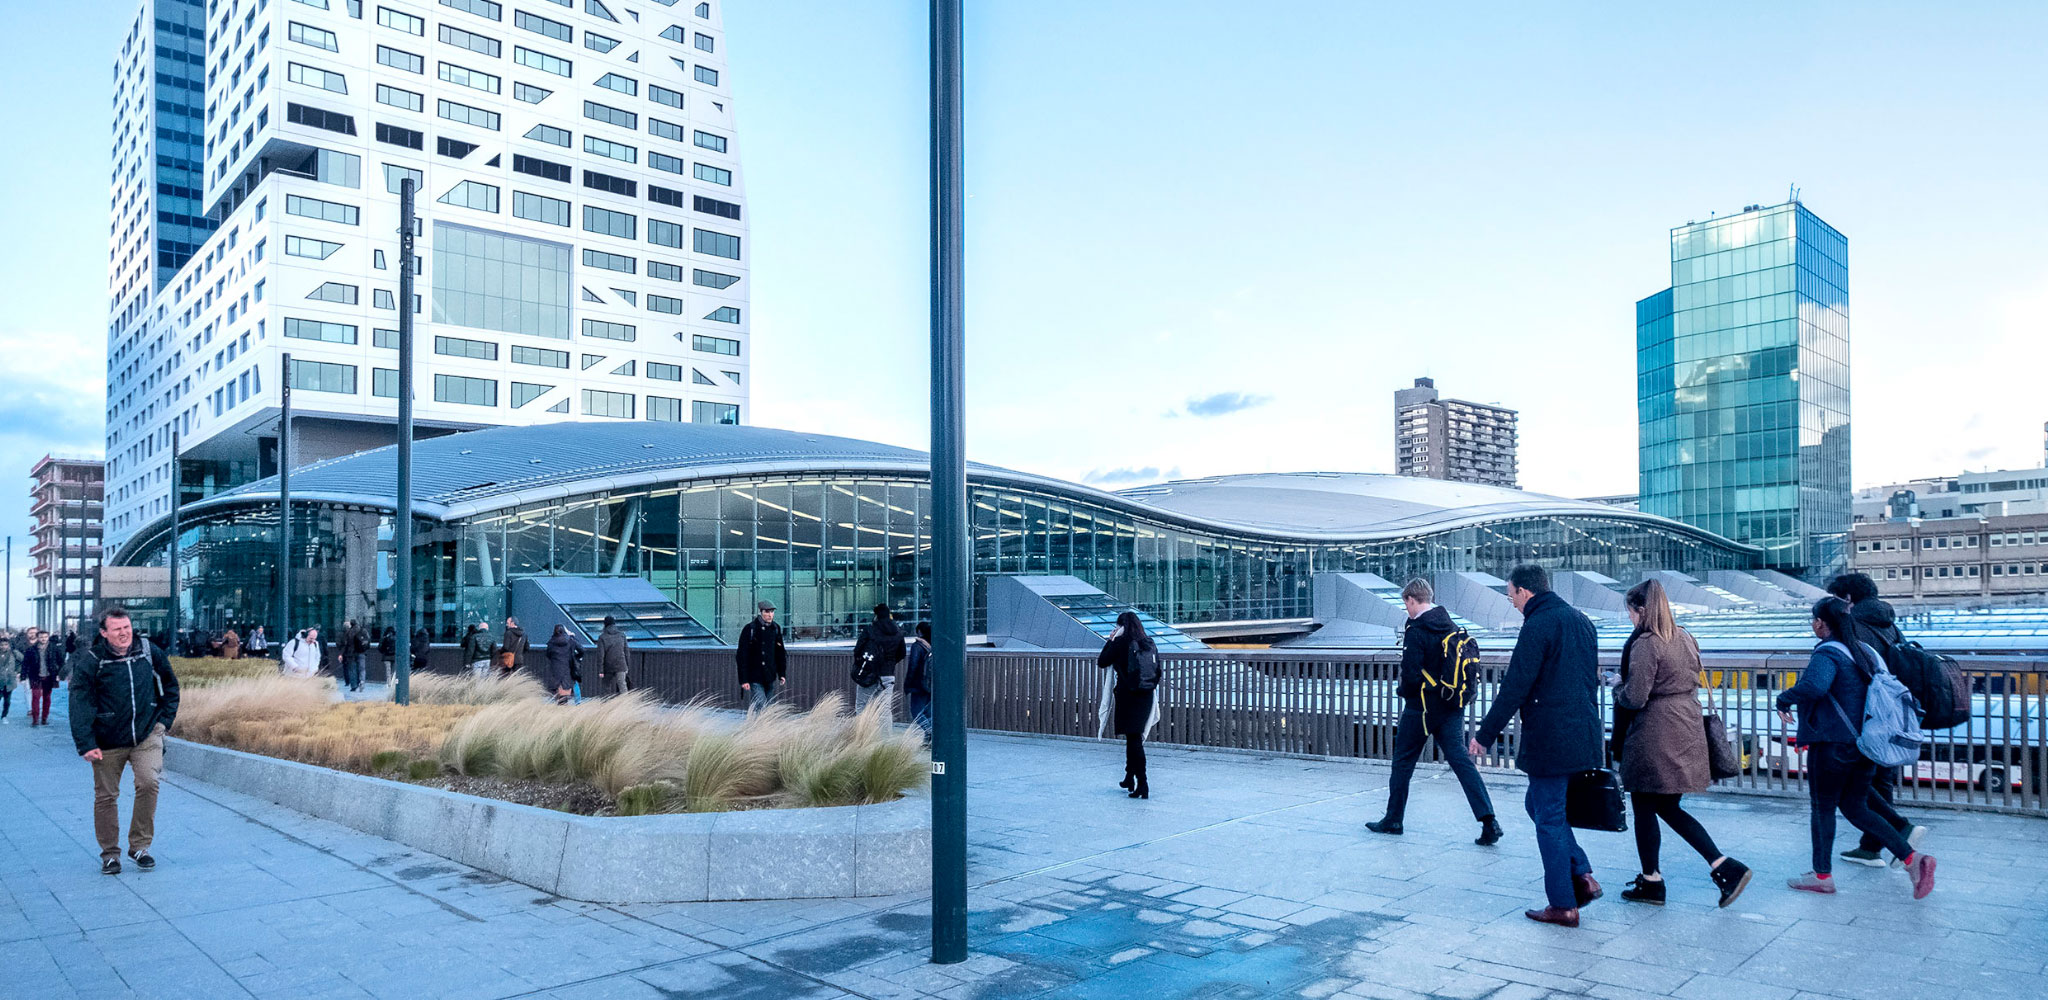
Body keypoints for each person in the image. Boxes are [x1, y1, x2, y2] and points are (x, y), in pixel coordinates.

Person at [1776, 597, 1937, 899]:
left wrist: (1783, 698)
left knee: (1823, 807)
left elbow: (1815, 686)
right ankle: (1912, 860)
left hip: (1833, 743)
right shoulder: (1868, 652)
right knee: (1855, 806)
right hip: (1866, 743)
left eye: (1814, 620)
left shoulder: (1828, 652)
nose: (1813, 625)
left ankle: (1822, 876)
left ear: (1822, 623)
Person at [1471, 564, 1604, 928]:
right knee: (1540, 806)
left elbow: (1516, 686)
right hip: (1584, 734)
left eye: (1511, 594)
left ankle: (1563, 904)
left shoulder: (1537, 625)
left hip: (1551, 738)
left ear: (1526, 592)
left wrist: (1484, 735)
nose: (1511, 601)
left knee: (1547, 816)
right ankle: (1583, 873)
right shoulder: (1581, 621)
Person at [1611, 579, 1752, 908]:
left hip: (1655, 733)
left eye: (1631, 612)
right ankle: (1652, 879)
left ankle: (1720, 866)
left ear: (1640, 610)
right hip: (1685, 725)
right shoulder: (1684, 635)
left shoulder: (1648, 642)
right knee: (1655, 806)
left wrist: (1618, 686)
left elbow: (1635, 696)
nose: (1630, 619)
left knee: (1655, 806)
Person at [1367, 578, 1500, 844]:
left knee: (1403, 761)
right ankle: (1489, 821)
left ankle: (1394, 819)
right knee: (1461, 762)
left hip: (1422, 708)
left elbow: (1412, 675)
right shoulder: (1449, 624)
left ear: (1412, 600)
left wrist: (1405, 692)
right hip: (1451, 706)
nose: (1407, 610)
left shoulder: (1417, 630)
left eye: (1407, 604)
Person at [1825, 572, 1927, 869]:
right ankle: (1872, 846)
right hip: (1893, 716)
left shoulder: (1852, 625)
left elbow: (1847, 671)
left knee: (1849, 778)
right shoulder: (1890, 625)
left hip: (1864, 717)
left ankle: (1896, 828)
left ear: (1847, 599)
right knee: (1877, 780)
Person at [69, 605, 180, 875]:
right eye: (117, 629)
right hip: (107, 740)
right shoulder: (93, 660)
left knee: (149, 782)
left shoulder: (148, 651)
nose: (124, 633)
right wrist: (86, 742)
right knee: (106, 796)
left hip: (146, 734)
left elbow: (171, 685)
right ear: (104, 632)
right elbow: (79, 701)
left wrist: (163, 722)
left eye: (127, 627)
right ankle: (110, 854)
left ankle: (139, 846)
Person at [1097, 610, 1161, 799]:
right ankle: (1129, 777)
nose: (1115, 629)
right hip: (1146, 695)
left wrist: (1110, 640)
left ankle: (1143, 783)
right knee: (1133, 738)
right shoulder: (1148, 642)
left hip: (1128, 696)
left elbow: (1102, 661)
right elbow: (1158, 669)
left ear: (1122, 627)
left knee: (1134, 741)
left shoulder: (1120, 643)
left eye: (1117, 626)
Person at [851, 605, 905, 715]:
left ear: (876, 615)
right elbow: (902, 653)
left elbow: (857, 650)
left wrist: (861, 663)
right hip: (888, 675)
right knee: (884, 709)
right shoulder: (898, 632)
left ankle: (863, 731)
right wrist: (890, 663)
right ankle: (886, 733)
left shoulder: (870, 630)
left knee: (862, 705)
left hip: (869, 673)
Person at [736, 600, 787, 711]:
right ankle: (758, 725)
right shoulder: (750, 629)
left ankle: (756, 725)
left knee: (768, 706)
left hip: (770, 675)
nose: (770, 615)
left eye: (772, 612)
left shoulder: (775, 628)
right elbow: (742, 655)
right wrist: (744, 679)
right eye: (767, 612)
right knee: (761, 704)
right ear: (761, 612)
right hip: (755, 675)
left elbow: (780, 653)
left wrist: (782, 673)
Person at [24, 629, 64, 726]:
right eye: (41, 637)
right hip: (35, 676)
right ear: (38, 638)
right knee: (35, 697)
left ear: (48, 637)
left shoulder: (54, 648)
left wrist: (60, 674)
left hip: (49, 676)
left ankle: (44, 718)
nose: (43, 639)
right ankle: (35, 719)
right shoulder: (31, 649)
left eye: (45, 637)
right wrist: (23, 676)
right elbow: (25, 663)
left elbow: (61, 662)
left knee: (47, 697)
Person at [904, 622, 934, 740]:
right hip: (931, 684)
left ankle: (929, 731)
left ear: (919, 632)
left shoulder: (918, 646)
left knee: (916, 712)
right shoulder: (933, 645)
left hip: (918, 683)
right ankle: (929, 738)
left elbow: (913, 665)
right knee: (928, 711)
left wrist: (908, 683)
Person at [542, 625, 580, 705]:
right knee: (567, 691)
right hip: (567, 670)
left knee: (558, 694)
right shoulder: (571, 641)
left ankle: (560, 710)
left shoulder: (551, 642)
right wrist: (576, 657)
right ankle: (576, 703)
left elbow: (548, 654)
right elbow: (582, 650)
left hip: (556, 671)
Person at [595, 615, 629, 696]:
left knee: (606, 687)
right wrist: (626, 666)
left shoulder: (602, 637)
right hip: (621, 664)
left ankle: (607, 705)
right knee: (622, 686)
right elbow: (626, 651)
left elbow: (601, 655)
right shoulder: (622, 635)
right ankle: (626, 705)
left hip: (608, 666)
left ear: (605, 624)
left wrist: (600, 670)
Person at [339, 619, 369, 692]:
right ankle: (362, 681)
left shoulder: (348, 632)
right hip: (361, 653)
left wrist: (342, 654)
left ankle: (354, 686)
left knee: (352, 670)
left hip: (351, 654)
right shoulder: (363, 630)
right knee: (362, 669)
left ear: (351, 624)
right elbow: (368, 640)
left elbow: (345, 644)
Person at [497, 616, 529, 680]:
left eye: (508, 623)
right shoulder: (524, 634)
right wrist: (519, 653)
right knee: (517, 678)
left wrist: (500, 651)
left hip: (508, 660)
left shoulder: (508, 633)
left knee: (506, 678)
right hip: (519, 660)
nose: (506, 624)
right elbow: (527, 647)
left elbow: (506, 647)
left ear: (512, 623)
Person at [0, 636, 18, 724]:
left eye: (5, 645)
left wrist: (18, 670)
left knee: (7, 701)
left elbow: (23, 660)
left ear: (9, 645)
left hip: (9, 681)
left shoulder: (14, 653)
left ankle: (4, 716)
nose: (3, 646)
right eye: (1, 645)